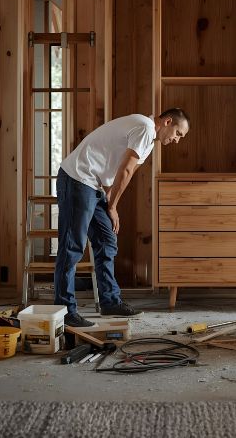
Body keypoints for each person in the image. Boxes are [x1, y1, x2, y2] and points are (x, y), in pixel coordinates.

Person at [56, 108, 190, 327]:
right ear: (168, 122)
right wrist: (113, 207)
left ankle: (109, 302)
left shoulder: (148, 141)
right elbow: (126, 171)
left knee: (106, 240)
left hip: (94, 185)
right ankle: (65, 311)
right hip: (77, 179)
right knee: (72, 247)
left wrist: (109, 202)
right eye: (178, 134)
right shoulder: (145, 128)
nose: (176, 140)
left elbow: (119, 170)